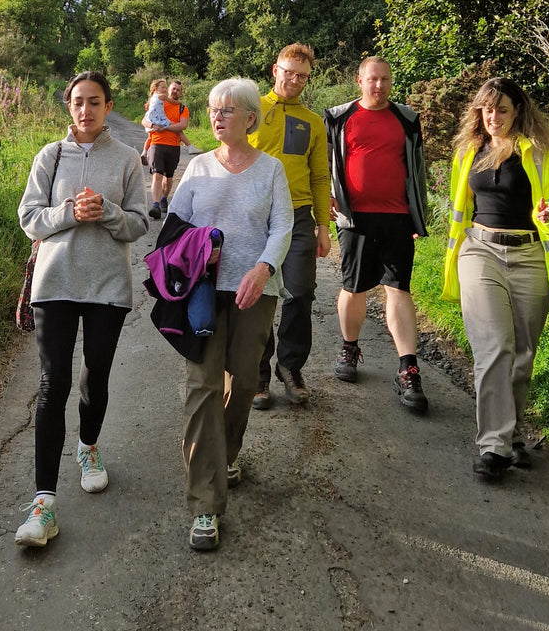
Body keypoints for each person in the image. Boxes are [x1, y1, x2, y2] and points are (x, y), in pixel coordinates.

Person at [15, 71, 149, 545]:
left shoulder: (129, 159)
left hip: (108, 287)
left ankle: (88, 448)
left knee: (97, 374)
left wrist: (107, 213)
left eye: (94, 102)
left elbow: (139, 223)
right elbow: (29, 218)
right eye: (77, 102)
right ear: (68, 107)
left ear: (108, 105)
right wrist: (69, 213)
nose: (85, 110)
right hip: (55, 282)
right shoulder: (50, 156)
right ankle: (43, 503)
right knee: (54, 383)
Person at [168, 78, 293, 550]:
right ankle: (205, 505)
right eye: (212, 109)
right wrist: (197, 251)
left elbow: (282, 226)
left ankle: (227, 454)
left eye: (227, 110)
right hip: (202, 294)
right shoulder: (197, 168)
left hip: (255, 292)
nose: (217, 116)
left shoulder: (271, 170)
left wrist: (263, 268)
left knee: (243, 383)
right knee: (201, 386)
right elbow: (173, 227)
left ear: (250, 119)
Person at [442, 76, 549, 481]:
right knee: (494, 347)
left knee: (522, 355)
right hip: (479, 252)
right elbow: (459, 209)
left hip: (530, 257)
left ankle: (511, 432)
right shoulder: (469, 152)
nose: (493, 117)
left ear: (517, 111)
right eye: (487, 109)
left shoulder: (539, 154)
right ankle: (494, 447)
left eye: (502, 109)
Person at [324, 57, 430, 411]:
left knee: (398, 288)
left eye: (385, 80)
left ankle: (407, 368)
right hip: (354, 219)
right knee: (353, 286)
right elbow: (325, 163)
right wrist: (325, 196)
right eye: (373, 79)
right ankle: (349, 348)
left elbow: (417, 170)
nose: (379, 86)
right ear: (359, 80)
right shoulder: (339, 117)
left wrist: (418, 216)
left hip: (397, 217)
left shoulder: (407, 119)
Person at [248, 44, 331, 408]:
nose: (294, 80)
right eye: (288, 71)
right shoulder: (252, 109)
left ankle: (290, 366)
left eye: (302, 75)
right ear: (274, 69)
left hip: (298, 217)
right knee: (258, 295)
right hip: (254, 215)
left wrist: (324, 227)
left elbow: (320, 176)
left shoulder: (313, 122)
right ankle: (257, 373)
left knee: (300, 292)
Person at [145, 77, 191, 221]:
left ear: (180, 92)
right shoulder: (158, 102)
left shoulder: (182, 108)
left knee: (168, 177)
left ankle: (164, 198)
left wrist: (164, 127)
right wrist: (153, 126)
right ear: (167, 89)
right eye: (173, 88)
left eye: (178, 90)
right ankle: (156, 205)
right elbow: (145, 120)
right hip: (156, 143)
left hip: (174, 146)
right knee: (157, 175)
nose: (175, 91)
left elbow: (182, 125)